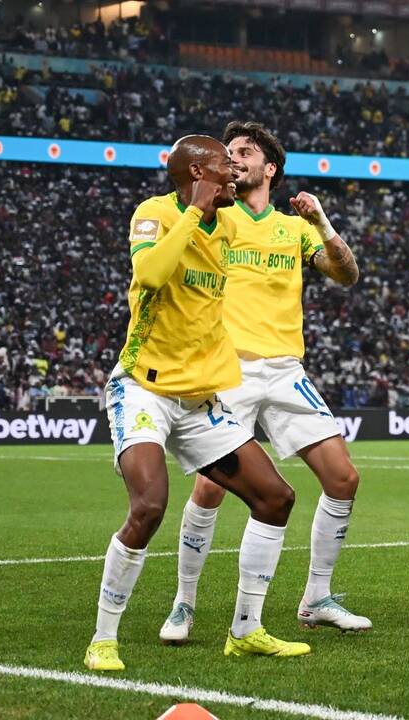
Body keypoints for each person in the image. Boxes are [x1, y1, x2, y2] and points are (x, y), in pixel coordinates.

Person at [85, 135, 309, 672]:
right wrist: (193, 213)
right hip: (145, 386)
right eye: (224, 166)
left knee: (276, 498)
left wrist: (313, 228)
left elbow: (277, 242)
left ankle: (246, 630)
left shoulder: (232, 224)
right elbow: (149, 275)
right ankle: (103, 639)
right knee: (149, 506)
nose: (234, 173)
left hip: (199, 398)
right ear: (196, 175)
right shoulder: (155, 213)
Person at [157, 121, 367, 645]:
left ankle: (317, 598)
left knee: (343, 478)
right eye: (229, 153)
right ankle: (184, 602)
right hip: (227, 367)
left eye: (244, 152)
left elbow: (346, 274)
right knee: (210, 487)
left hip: (285, 370)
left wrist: (321, 222)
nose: (234, 159)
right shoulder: (217, 217)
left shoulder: (294, 230)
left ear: (270, 168)